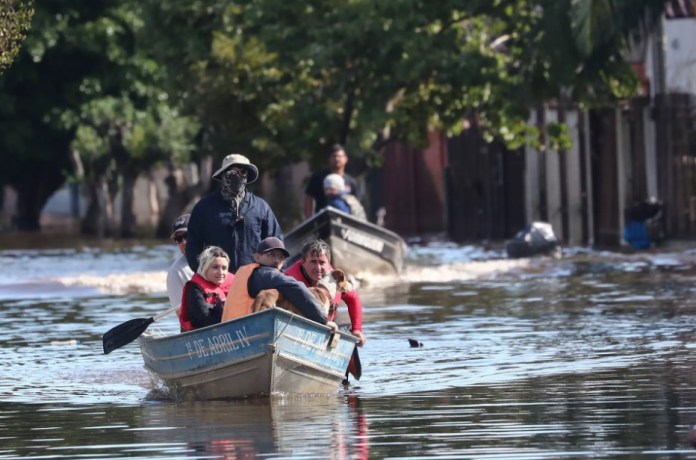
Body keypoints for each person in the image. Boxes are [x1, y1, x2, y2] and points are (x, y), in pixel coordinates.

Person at [186, 154, 283, 274]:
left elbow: (276, 244)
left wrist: (270, 275)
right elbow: (192, 246)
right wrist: (204, 274)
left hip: (254, 281)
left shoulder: (261, 207)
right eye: (232, 172)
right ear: (223, 175)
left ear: (247, 176)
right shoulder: (204, 208)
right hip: (217, 282)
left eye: (242, 172)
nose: (237, 176)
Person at [222, 237, 337, 330]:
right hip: (246, 333)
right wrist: (323, 320)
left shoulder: (242, 272)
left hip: (227, 334)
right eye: (271, 254)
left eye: (281, 257)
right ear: (257, 257)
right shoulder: (265, 273)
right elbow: (296, 288)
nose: (276, 260)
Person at [284, 239, 366, 346]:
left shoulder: (336, 279)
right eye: (313, 262)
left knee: (350, 334)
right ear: (303, 262)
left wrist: (357, 329)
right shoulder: (288, 279)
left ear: (329, 263)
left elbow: (353, 299)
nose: (318, 268)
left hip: (328, 330)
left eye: (322, 263)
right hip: (295, 332)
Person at [179, 246, 234, 332]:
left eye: (224, 268)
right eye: (215, 267)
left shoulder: (231, 285)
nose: (221, 272)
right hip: (201, 334)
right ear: (205, 268)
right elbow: (205, 319)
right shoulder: (194, 288)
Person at [304, 144, 361, 218]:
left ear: (345, 159)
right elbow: (309, 197)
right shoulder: (319, 177)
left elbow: (356, 204)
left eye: (340, 156)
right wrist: (309, 219)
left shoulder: (351, 181)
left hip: (345, 223)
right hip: (323, 222)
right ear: (329, 159)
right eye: (334, 156)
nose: (337, 159)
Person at [166, 214, 194, 312]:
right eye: (178, 239)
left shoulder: (219, 260)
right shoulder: (175, 272)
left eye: (186, 236)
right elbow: (180, 313)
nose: (183, 242)